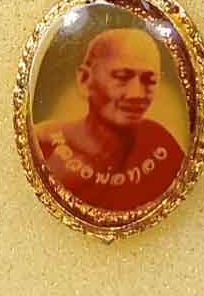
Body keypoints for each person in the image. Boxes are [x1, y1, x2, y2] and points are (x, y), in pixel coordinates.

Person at [34, 28, 185, 211]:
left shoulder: (161, 145)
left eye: (149, 80)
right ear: (84, 80)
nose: (136, 94)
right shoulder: (43, 143)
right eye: (122, 77)